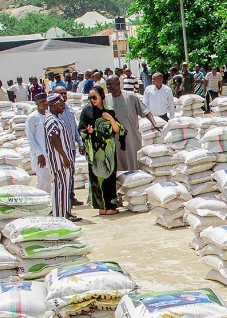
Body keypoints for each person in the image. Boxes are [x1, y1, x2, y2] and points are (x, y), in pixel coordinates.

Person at [78, 86, 123, 214]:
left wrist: (109, 118)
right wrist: (88, 131)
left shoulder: (109, 110)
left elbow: (117, 129)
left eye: (94, 97)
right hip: (95, 150)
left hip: (108, 149)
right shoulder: (86, 111)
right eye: (90, 98)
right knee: (96, 177)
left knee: (109, 177)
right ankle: (101, 207)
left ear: (101, 96)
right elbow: (81, 130)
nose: (92, 100)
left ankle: (111, 206)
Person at [40, 91, 81, 220]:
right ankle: (62, 214)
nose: (63, 107)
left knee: (65, 186)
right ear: (53, 106)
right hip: (59, 160)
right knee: (61, 187)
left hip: (62, 159)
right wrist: (64, 157)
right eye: (61, 105)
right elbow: (55, 139)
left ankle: (65, 212)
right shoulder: (51, 120)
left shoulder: (56, 118)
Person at [105, 75, 155, 174]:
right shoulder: (105, 100)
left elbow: (145, 111)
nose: (108, 87)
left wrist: (154, 123)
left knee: (134, 167)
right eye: (107, 85)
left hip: (131, 138)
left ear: (118, 84)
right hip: (115, 140)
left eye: (111, 84)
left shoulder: (131, 97)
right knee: (118, 167)